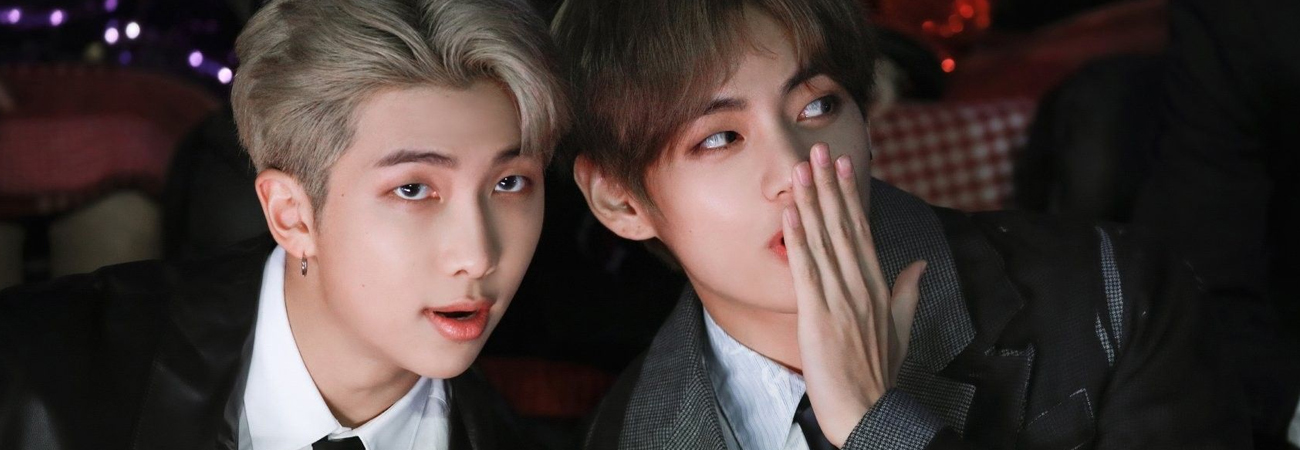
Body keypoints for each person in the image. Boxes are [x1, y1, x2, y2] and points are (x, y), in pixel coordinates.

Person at [550, 0, 1250, 448]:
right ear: (620, 201)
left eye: (817, 107)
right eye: (719, 139)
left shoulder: (1110, 295)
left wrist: (875, 423)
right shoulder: (625, 430)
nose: (796, 168)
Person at [0, 0, 569, 448]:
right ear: (290, 214)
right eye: (413, 189)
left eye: (509, 183)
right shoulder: (30, 374)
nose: (477, 256)